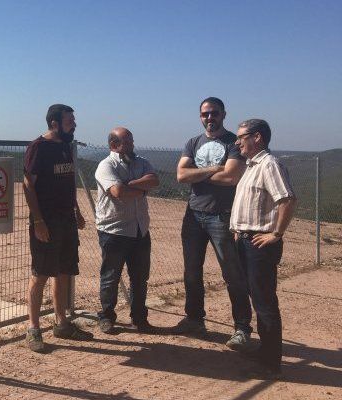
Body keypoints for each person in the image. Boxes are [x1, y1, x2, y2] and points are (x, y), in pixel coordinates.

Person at [175, 97, 254, 351]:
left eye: (214, 113)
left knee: (232, 273)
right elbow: (181, 175)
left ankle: (242, 328)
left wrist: (198, 173)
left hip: (222, 216)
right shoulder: (193, 142)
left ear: (223, 114)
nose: (209, 117)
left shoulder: (233, 142)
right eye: (205, 114)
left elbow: (231, 178)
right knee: (191, 273)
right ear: (200, 116)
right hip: (193, 215)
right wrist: (214, 169)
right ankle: (194, 320)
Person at [23, 104, 92, 352]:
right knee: (40, 274)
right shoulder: (38, 148)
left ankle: (61, 323)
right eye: (69, 121)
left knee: (63, 272)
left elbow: (68, 183)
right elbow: (28, 185)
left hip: (66, 220)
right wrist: (38, 221)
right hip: (46, 221)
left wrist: (77, 210)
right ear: (55, 123)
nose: (74, 124)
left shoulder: (65, 146)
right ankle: (33, 329)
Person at [230, 119, 296, 379]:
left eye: (241, 137)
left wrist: (276, 234)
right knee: (258, 299)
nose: (237, 142)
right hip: (246, 242)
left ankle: (270, 363)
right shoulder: (251, 166)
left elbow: (287, 199)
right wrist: (238, 230)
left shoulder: (269, 164)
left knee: (264, 301)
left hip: (259, 245)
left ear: (257, 137)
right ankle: (265, 351)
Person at [93, 127, 159, 334]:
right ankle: (106, 317)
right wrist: (142, 189)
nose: (132, 145)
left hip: (140, 229)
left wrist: (131, 184)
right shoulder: (106, 166)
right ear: (114, 145)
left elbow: (155, 180)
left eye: (131, 141)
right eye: (127, 142)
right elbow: (118, 191)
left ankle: (139, 318)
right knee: (110, 277)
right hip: (114, 230)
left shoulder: (142, 162)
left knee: (140, 278)